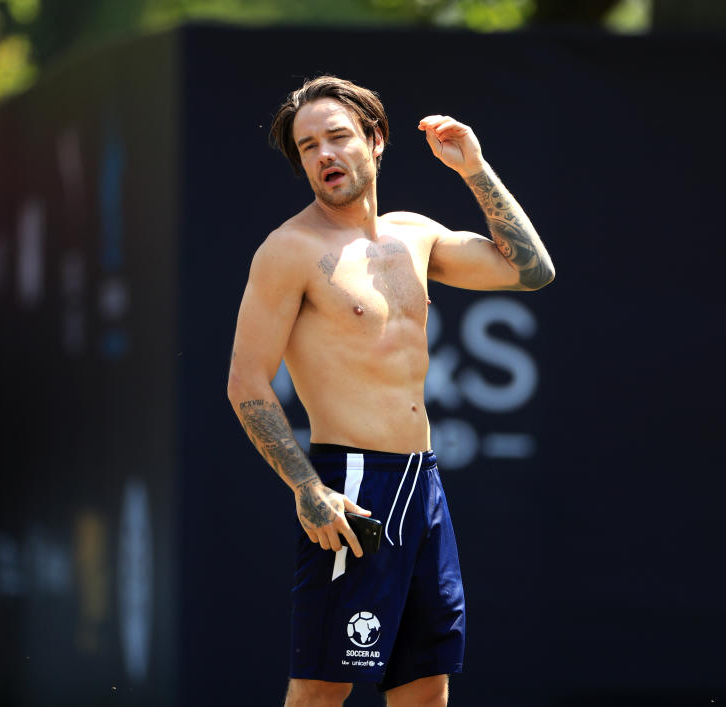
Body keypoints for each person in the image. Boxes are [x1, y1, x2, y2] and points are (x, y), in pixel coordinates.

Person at [227, 75, 554, 707]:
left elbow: (531, 271)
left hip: (421, 483)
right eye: (307, 146)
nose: (323, 154)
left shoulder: (415, 234)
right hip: (349, 483)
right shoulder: (289, 251)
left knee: (425, 687)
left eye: (338, 137)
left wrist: (474, 168)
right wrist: (308, 487)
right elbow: (246, 382)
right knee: (322, 687)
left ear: (376, 141)